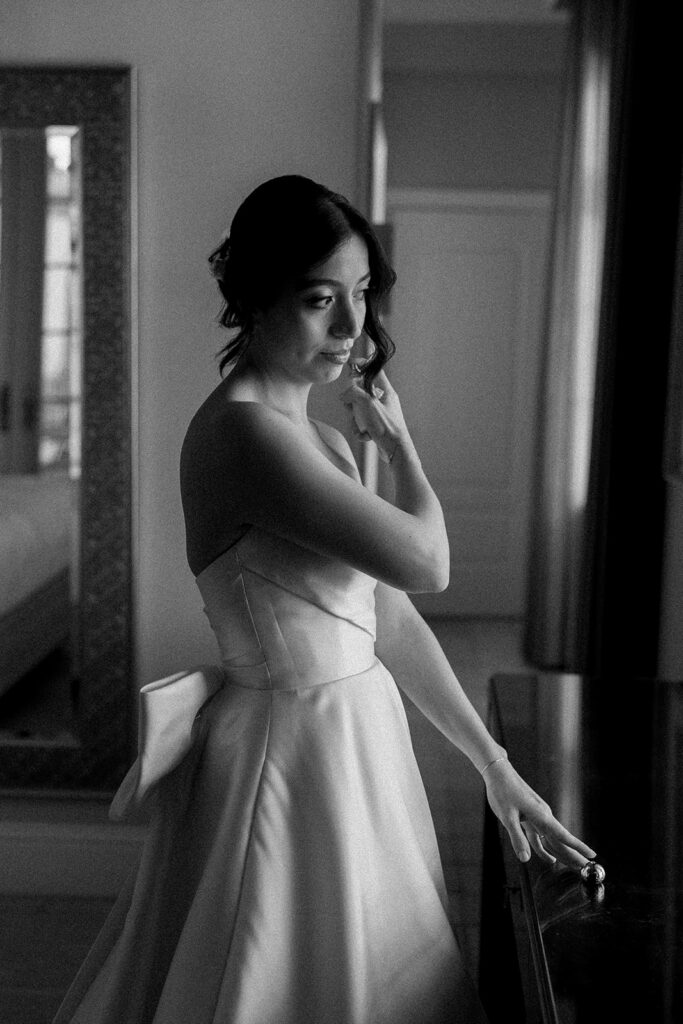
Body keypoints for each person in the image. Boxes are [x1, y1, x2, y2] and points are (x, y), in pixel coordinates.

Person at [53, 175, 595, 1024]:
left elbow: (388, 615)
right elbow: (429, 564)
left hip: (354, 739)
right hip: (289, 751)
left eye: (362, 295)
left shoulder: (318, 437)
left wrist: (494, 767)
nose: (353, 328)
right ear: (255, 300)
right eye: (319, 300)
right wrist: (405, 447)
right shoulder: (244, 435)